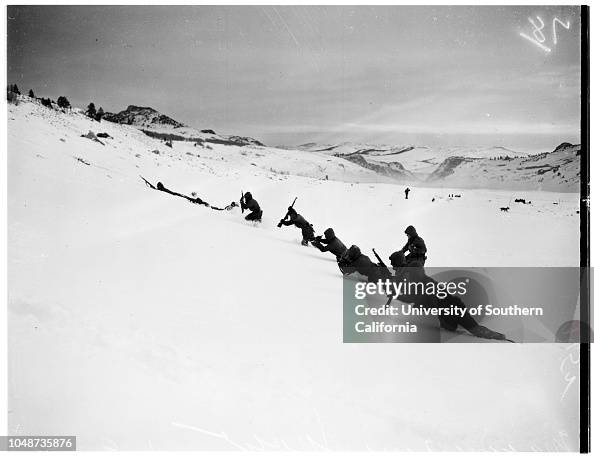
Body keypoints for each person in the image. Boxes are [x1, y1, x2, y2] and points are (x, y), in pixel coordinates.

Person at [387, 251, 507, 341]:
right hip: (449, 308)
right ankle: (496, 336)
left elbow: (418, 299)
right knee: (460, 327)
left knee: (474, 329)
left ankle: (500, 337)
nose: (394, 268)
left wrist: (398, 295)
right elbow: (415, 298)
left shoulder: (419, 281)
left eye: (394, 265)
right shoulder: (417, 279)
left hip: (452, 307)